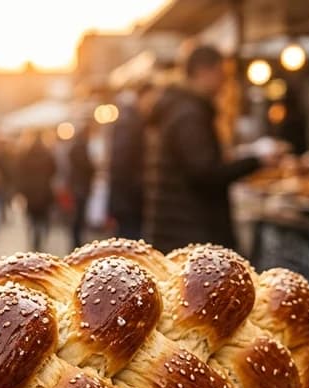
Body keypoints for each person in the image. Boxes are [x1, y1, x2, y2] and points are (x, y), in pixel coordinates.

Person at [144, 46, 263, 254]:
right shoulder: (189, 114)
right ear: (203, 71)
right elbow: (205, 172)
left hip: (178, 228)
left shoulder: (179, 108)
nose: (224, 82)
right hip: (190, 233)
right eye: (221, 73)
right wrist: (256, 160)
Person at [108, 84, 150, 240]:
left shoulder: (128, 121)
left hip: (125, 199)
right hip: (129, 201)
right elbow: (121, 165)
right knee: (131, 242)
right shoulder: (130, 122)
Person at [17, 131, 57, 252]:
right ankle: (41, 237)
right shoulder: (48, 153)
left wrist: (22, 190)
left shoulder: (26, 154)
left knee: (32, 218)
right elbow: (54, 170)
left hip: (31, 191)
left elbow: (21, 172)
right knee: (43, 217)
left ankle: (34, 239)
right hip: (44, 190)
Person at [67, 123, 95, 249]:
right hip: (81, 186)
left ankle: (76, 240)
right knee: (79, 215)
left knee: (77, 215)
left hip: (77, 185)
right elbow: (86, 165)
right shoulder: (81, 146)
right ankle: (76, 241)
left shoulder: (75, 146)